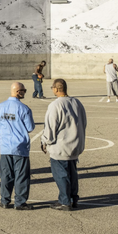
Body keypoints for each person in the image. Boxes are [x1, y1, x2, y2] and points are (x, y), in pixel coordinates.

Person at [41, 79, 87, 211]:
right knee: (73, 175)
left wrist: (44, 141)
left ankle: (64, 201)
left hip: (60, 147)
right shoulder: (77, 102)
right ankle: (73, 199)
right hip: (75, 146)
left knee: (61, 175)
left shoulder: (55, 105)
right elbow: (84, 122)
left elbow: (50, 127)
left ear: (55, 89)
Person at [0, 82, 35, 210]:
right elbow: (30, 127)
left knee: (6, 175)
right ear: (18, 92)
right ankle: (20, 202)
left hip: (5, 147)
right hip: (20, 147)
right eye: (24, 90)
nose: (24, 92)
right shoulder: (24, 109)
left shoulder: (0, 107)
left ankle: (4, 200)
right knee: (21, 176)